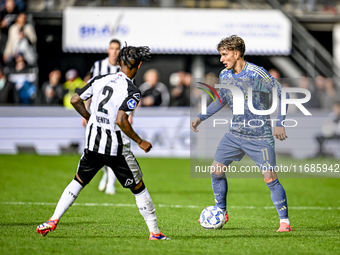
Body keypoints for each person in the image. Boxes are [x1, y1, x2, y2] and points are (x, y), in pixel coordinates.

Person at [36, 44, 170, 240]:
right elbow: (121, 121)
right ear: (138, 66)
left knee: (78, 181)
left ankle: (53, 220)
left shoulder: (100, 79)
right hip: (116, 149)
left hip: (92, 144)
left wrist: (90, 118)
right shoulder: (132, 91)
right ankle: (155, 233)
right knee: (138, 187)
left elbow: (75, 99)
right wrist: (140, 141)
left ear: (119, 62)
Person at [190, 35, 292, 232]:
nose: (221, 59)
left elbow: (283, 93)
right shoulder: (225, 75)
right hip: (235, 134)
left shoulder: (256, 73)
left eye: (224, 54)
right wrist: (201, 117)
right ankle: (221, 212)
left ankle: (284, 222)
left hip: (260, 136)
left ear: (236, 54)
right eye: (221, 55)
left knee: (270, 177)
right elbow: (222, 100)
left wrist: (280, 123)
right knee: (216, 170)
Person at [86, 39, 121, 195]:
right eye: (112, 48)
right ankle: (106, 175)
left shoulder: (124, 68)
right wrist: (85, 112)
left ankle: (111, 184)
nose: (114, 51)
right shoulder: (98, 66)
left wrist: (130, 114)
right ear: (108, 50)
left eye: (117, 49)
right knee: (99, 149)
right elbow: (90, 89)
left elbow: (129, 93)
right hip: (98, 114)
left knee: (114, 149)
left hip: (116, 115)